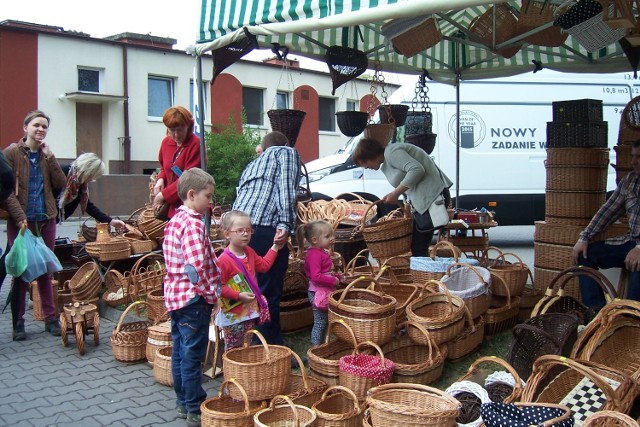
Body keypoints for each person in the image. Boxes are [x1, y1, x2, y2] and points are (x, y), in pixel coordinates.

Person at [2, 110, 67, 340]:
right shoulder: (11, 153)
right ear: (25, 127)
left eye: (44, 127)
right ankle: (17, 323)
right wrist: (20, 218)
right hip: (21, 223)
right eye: (36, 125)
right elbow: (6, 190)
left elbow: (61, 184)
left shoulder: (45, 155)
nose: (40, 129)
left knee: (45, 270)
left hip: (45, 220)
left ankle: (50, 319)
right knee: (20, 271)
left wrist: (50, 158)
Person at [162, 167, 219, 427]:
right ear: (192, 194)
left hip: (175, 298)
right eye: (208, 196)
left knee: (179, 351)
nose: (211, 202)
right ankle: (195, 407)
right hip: (192, 300)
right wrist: (211, 295)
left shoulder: (174, 221)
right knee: (192, 355)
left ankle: (182, 403)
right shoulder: (194, 224)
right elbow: (195, 269)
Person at [233, 131, 301, 345]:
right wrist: (285, 224)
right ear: (285, 144)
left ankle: (243, 341)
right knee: (268, 291)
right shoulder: (286, 153)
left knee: (244, 288)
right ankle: (269, 347)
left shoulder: (252, 164)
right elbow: (287, 189)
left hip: (237, 228)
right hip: (263, 228)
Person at [352, 138, 453, 257]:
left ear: (369, 156)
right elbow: (408, 184)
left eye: (364, 163)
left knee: (419, 247)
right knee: (418, 246)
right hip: (425, 200)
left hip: (433, 196)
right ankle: (424, 273)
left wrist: (395, 193)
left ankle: (425, 274)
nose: (365, 167)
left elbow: (417, 170)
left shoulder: (392, 153)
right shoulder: (387, 160)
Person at [573, 139, 640, 310]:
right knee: (585, 256)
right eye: (633, 156)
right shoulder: (630, 180)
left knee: (638, 263)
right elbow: (608, 211)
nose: (634, 162)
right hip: (632, 241)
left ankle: (630, 317)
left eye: (639, 157)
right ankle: (596, 314)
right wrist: (585, 237)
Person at [215, 210, 283, 350]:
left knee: (247, 344)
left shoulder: (249, 252)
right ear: (227, 234)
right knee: (234, 349)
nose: (245, 234)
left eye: (248, 230)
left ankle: (245, 370)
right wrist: (238, 295)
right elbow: (218, 287)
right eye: (240, 230)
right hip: (233, 314)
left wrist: (275, 247)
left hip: (249, 311)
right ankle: (234, 371)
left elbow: (263, 266)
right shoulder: (223, 260)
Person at [153, 106, 203, 220]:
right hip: (170, 208)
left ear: (188, 126)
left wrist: (164, 195)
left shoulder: (196, 144)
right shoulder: (166, 142)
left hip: (189, 206)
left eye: (179, 130)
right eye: (171, 130)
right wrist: (161, 178)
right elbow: (164, 167)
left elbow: (189, 179)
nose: (175, 135)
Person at [298, 220, 343, 346]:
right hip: (317, 293)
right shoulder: (314, 255)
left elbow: (325, 272)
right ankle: (315, 347)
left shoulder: (320, 252)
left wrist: (338, 276)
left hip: (323, 292)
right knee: (320, 322)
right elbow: (316, 276)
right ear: (314, 240)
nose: (332, 238)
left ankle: (322, 345)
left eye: (331, 235)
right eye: (327, 236)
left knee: (324, 321)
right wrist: (334, 280)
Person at [58, 153, 125, 229]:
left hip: (53, 220)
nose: (92, 179)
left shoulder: (80, 183)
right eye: (92, 176)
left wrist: (111, 221)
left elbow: (88, 206)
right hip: (46, 219)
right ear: (87, 171)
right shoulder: (63, 172)